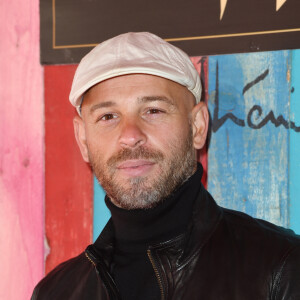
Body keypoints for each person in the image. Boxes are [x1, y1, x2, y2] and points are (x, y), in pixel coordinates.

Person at [31, 32, 300, 300]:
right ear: (83, 140)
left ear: (197, 127)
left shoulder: (280, 268)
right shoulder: (55, 293)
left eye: (153, 110)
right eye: (108, 116)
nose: (130, 135)